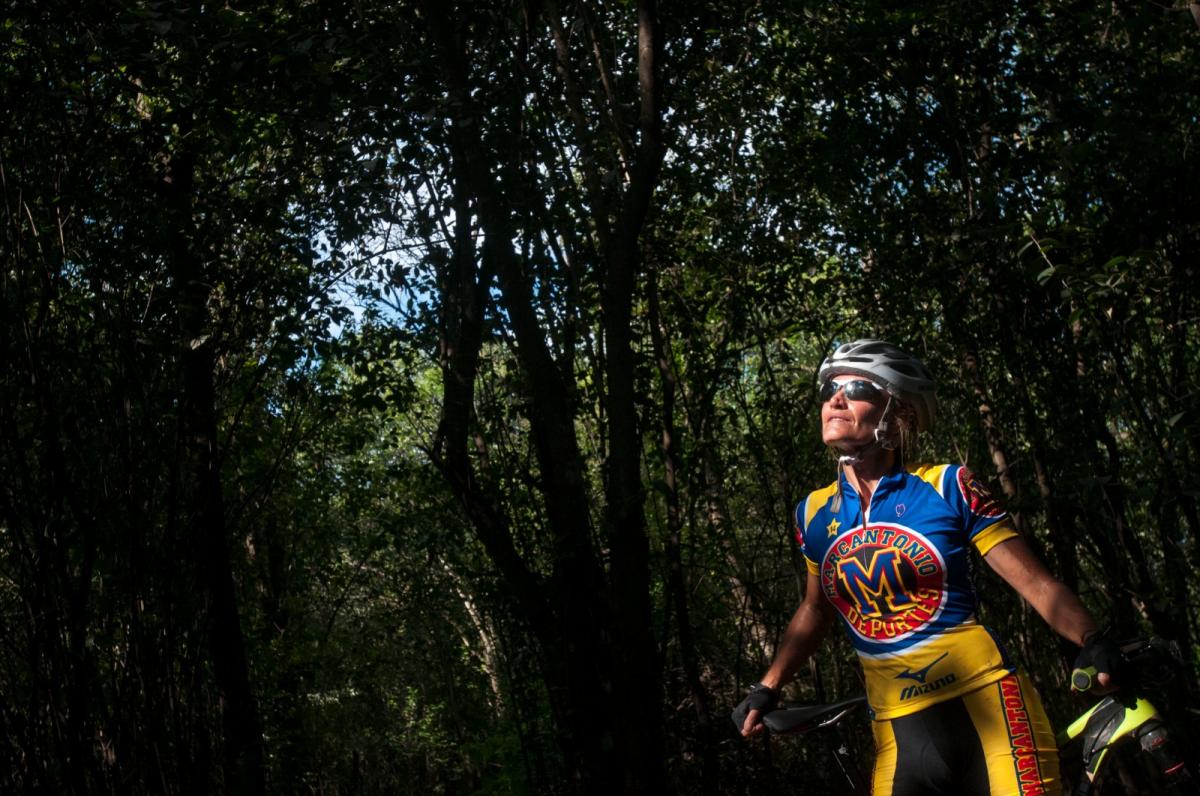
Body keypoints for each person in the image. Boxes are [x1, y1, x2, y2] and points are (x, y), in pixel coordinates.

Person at [734, 339, 1120, 796]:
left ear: (899, 412)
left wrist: (1092, 640)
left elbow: (1035, 582)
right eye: (828, 391)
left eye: (855, 387)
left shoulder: (947, 484)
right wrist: (768, 685)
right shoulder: (813, 513)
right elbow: (815, 610)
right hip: (897, 729)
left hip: (987, 703)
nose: (834, 400)